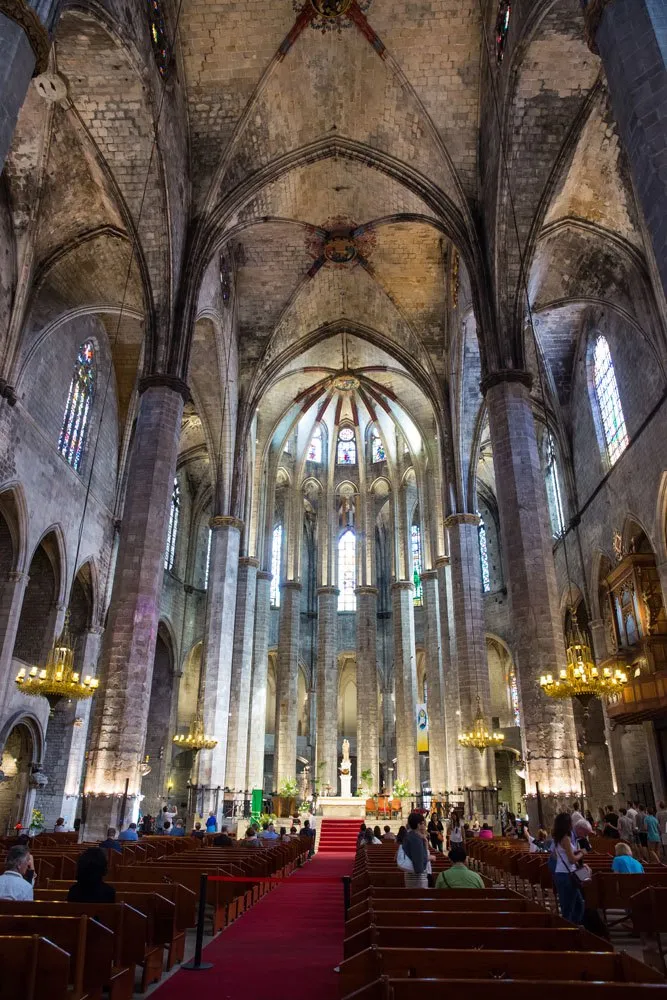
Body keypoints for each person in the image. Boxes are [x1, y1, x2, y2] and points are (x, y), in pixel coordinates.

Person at [551, 811, 585, 924]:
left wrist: (575, 851)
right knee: (569, 908)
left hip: (562, 873)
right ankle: (569, 932)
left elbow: (557, 855)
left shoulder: (557, 838)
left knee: (577, 904)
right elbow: (571, 860)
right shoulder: (566, 838)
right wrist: (582, 854)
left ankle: (573, 928)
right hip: (566, 875)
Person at [400, 812, 430, 888]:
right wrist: (429, 858)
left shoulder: (409, 836)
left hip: (410, 876)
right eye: (423, 823)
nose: (424, 826)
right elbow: (419, 866)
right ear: (418, 825)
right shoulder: (416, 839)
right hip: (417, 879)